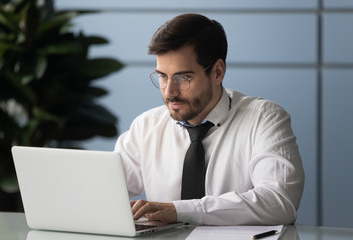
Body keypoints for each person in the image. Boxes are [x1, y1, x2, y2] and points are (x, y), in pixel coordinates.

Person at [114, 13, 305, 225]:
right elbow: (105, 193)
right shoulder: (146, 126)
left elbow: (279, 202)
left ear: (217, 72)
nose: (169, 92)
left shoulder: (265, 119)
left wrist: (180, 211)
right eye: (162, 76)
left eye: (183, 78)